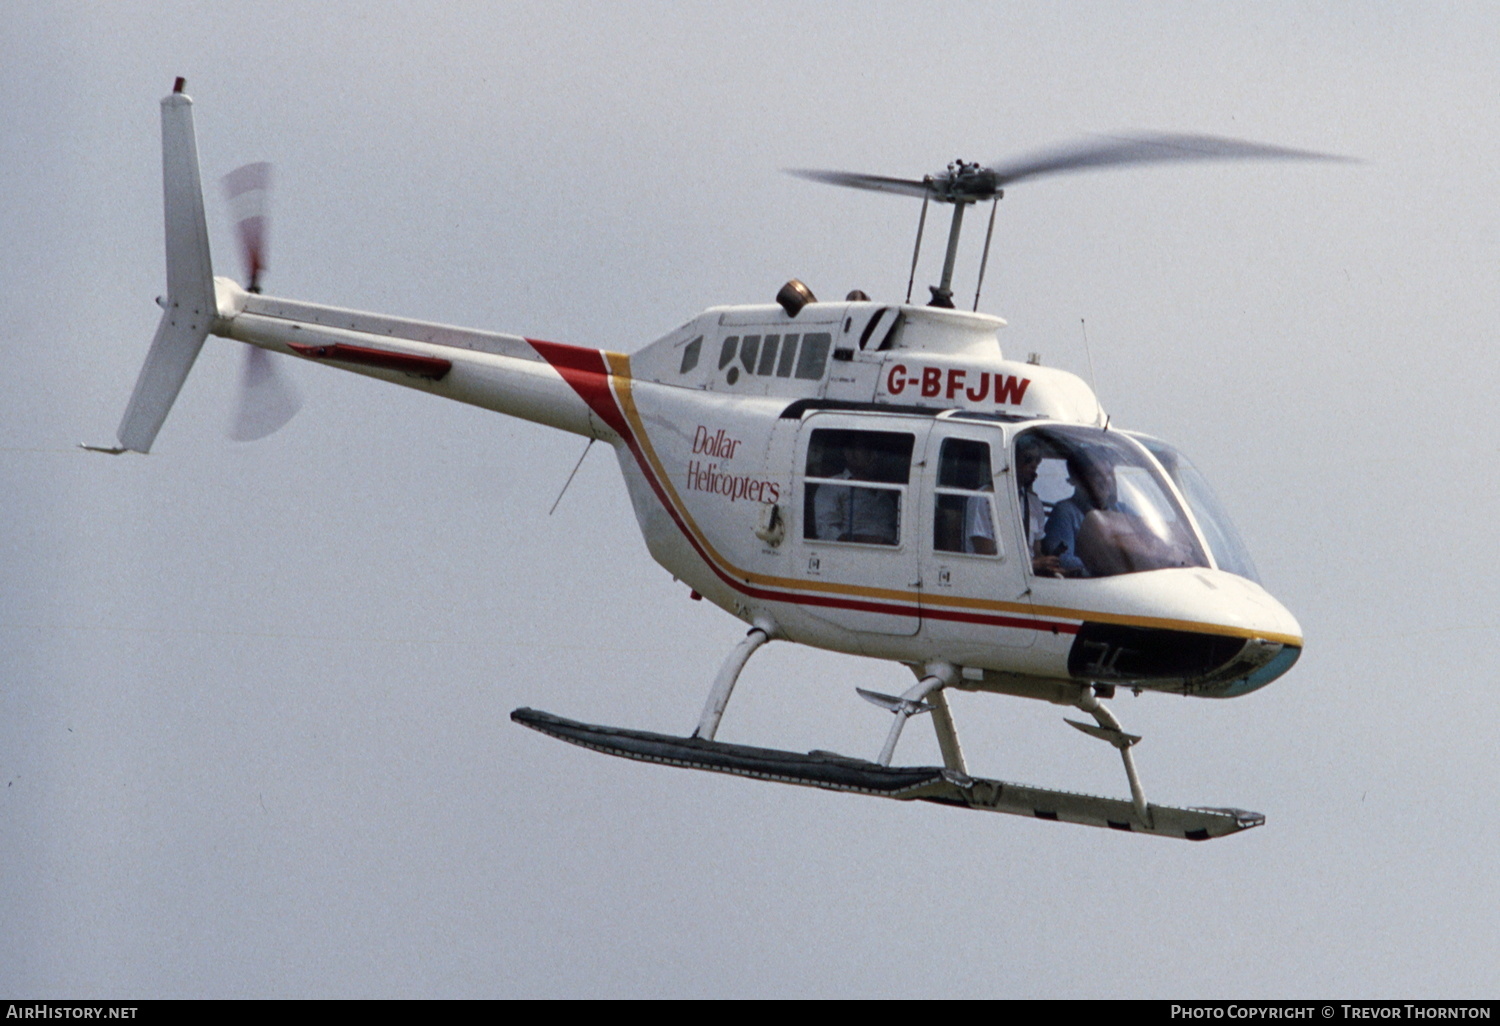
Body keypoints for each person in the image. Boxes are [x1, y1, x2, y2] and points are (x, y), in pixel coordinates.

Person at [1041, 447, 1125, 576]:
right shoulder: (1066, 512)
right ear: (1077, 480)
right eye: (1096, 475)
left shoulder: (1122, 510)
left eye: (1108, 474)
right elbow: (1060, 560)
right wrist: (1107, 566)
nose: (1105, 481)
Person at [813, 442, 899, 544]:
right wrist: (870, 541)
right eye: (869, 451)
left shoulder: (885, 491)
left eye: (878, 452)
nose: (876, 456)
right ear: (849, 454)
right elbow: (827, 531)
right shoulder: (832, 485)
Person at [1016, 434, 1063, 575]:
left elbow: (1036, 552)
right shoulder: (985, 498)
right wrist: (1035, 565)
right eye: (1028, 459)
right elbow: (985, 554)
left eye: (1037, 460)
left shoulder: (1034, 503)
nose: (1034, 465)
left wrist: (1050, 565)